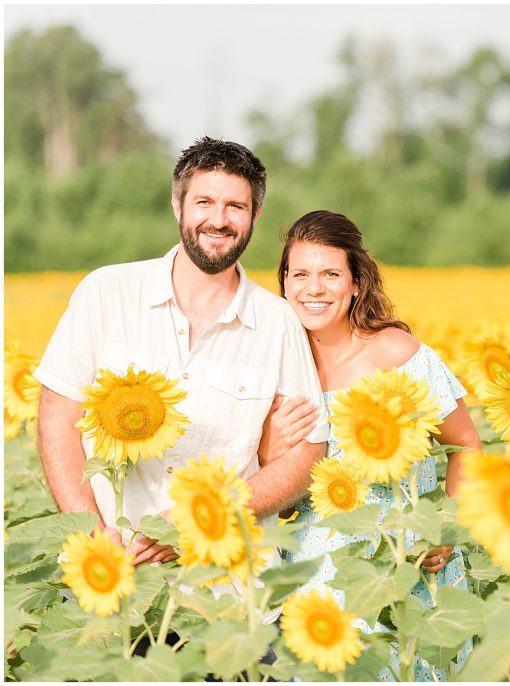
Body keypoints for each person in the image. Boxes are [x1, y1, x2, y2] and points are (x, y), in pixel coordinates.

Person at [34, 137, 329, 571]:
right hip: (113, 581)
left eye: (235, 206)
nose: (218, 219)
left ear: (255, 216)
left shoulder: (278, 321)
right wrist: (92, 534)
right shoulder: (105, 293)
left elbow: (307, 455)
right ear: (178, 205)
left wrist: (207, 519)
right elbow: (57, 418)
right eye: (204, 202)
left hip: (228, 594)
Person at [266, 209, 482, 681]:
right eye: (300, 274)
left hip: (401, 564)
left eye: (330, 274)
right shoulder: (279, 367)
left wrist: (442, 530)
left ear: (356, 283)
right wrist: (268, 449)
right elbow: (266, 473)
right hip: (311, 577)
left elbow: (466, 446)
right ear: (284, 284)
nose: (314, 288)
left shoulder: (397, 356)